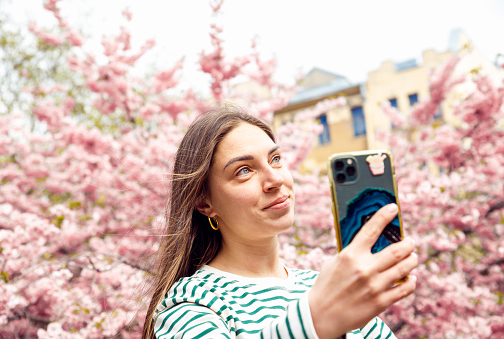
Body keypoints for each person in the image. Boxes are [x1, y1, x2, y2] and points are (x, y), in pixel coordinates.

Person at [142, 104, 418, 339]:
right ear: (205, 203)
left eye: (275, 159)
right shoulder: (191, 303)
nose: (275, 179)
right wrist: (315, 321)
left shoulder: (327, 289)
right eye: (244, 170)